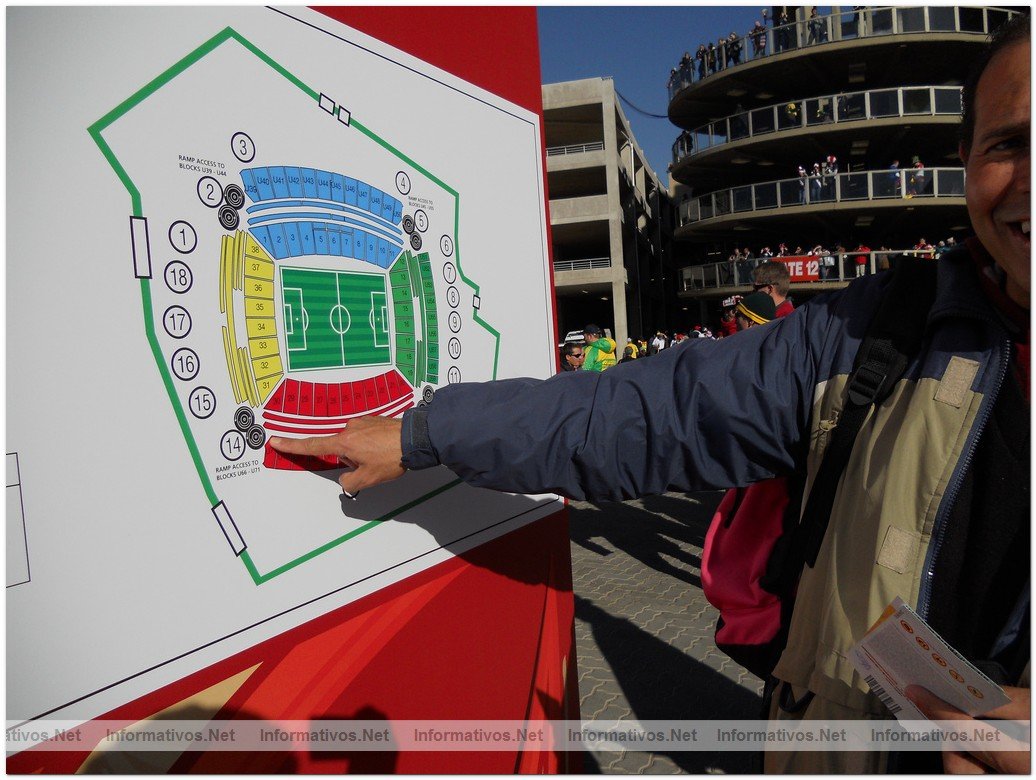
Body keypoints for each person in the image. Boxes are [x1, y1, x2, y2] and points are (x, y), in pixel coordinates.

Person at [272, 16, 1030, 774]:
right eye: (1009, 143)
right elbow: (639, 414)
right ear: (963, 159)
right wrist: (424, 433)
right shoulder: (870, 329)